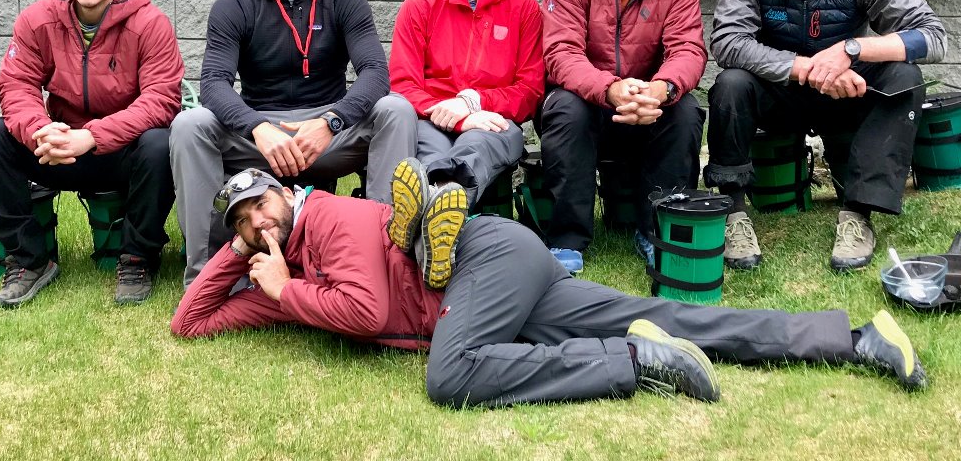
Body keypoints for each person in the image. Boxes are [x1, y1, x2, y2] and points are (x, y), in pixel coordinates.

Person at [171, 164, 928, 408]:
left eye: (259, 205)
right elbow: (191, 323)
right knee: (662, 313)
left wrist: (281, 293)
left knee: (450, 377)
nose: (253, 222)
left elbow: (365, 313)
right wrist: (241, 259)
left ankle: (633, 366)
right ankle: (851, 338)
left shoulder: (329, 218)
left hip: (485, 259)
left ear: (288, 193)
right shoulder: (280, 261)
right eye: (239, 219)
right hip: (495, 289)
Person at [705, 0, 947, 272]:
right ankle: (732, 210)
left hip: (845, 93)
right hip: (780, 91)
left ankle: (858, 213)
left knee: (904, 78)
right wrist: (806, 68)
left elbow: (933, 37)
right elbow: (728, 41)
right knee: (730, 83)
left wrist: (850, 50)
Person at [170, 0, 416, 287]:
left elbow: (374, 73)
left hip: (327, 134)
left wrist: (332, 122)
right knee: (190, 124)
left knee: (396, 110)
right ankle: (209, 275)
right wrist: (257, 127)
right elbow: (214, 83)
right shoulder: (235, 3)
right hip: (261, 137)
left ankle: (381, 261)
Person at [0, 0, 183, 308]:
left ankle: (137, 257)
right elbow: (16, 84)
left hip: (121, 152)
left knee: (160, 142)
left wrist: (93, 136)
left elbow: (161, 99)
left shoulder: (151, 23)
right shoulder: (37, 20)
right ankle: (27, 259)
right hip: (57, 147)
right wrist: (41, 131)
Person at [538, 0, 707, 273]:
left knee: (685, 112)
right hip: (593, 103)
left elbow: (688, 49)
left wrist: (661, 90)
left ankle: (656, 232)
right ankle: (567, 239)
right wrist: (609, 89)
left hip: (650, 105)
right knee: (563, 108)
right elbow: (560, 52)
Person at [387, 0, 543, 258]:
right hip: (433, 119)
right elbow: (403, 84)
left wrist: (475, 103)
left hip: (494, 123)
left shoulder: (524, 10)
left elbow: (530, 90)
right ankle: (438, 231)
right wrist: (455, 112)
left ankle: (432, 215)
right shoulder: (419, 6)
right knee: (431, 152)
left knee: (473, 149)